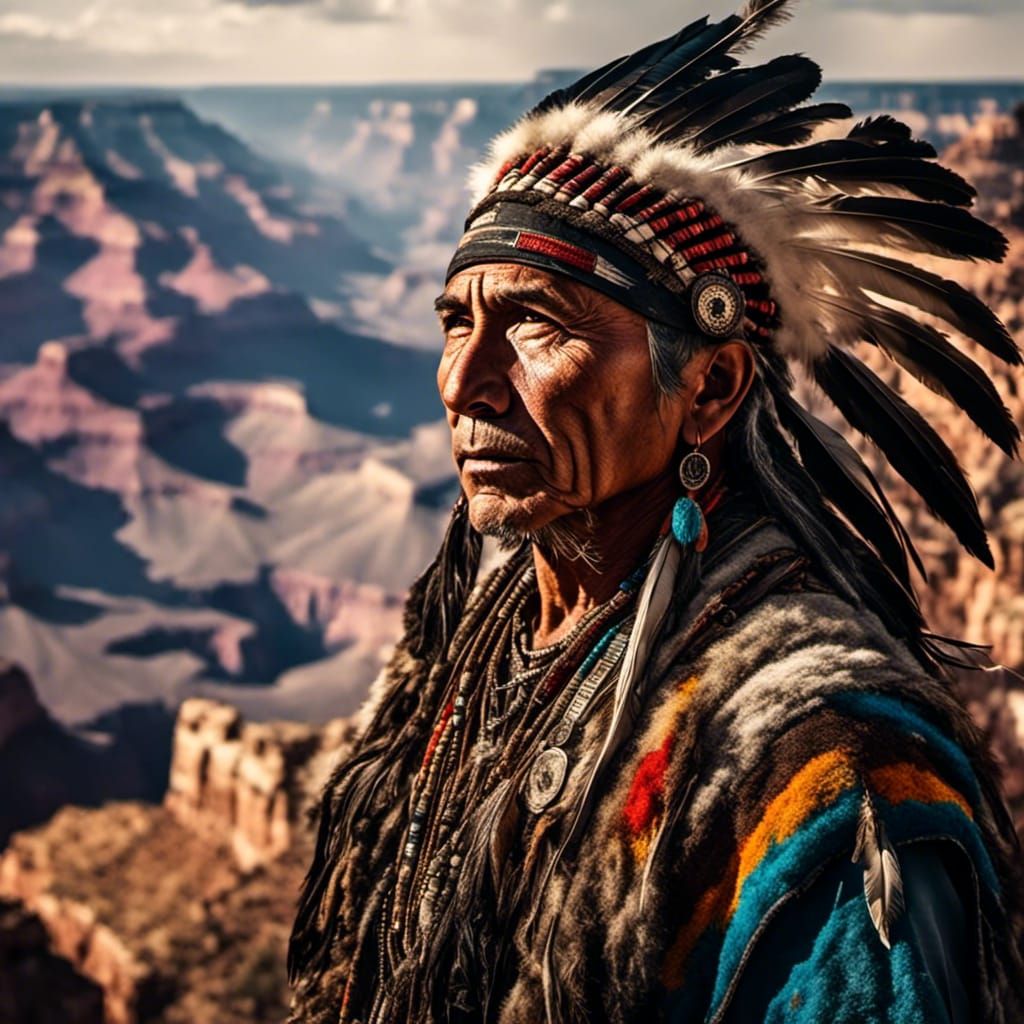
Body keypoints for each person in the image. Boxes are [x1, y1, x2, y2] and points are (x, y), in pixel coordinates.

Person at [288, 2, 1024, 1021]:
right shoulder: (476, 636)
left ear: (710, 387)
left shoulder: (826, 775)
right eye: (455, 320)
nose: (465, 382)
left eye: (535, 323)